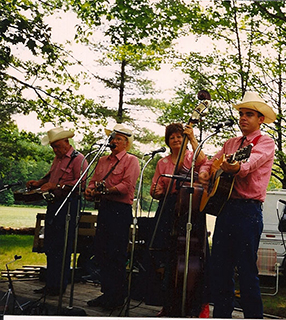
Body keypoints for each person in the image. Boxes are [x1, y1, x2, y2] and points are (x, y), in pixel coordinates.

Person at [198, 91, 276, 319]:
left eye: (249, 114)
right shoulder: (231, 143)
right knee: (220, 268)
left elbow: (249, 163)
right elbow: (212, 162)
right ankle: (222, 315)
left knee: (246, 270)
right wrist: (205, 173)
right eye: (241, 114)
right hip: (225, 209)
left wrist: (235, 166)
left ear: (260, 119)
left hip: (248, 211)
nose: (243, 118)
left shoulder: (265, 142)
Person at [148, 123, 207, 316]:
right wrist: (156, 191)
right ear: (168, 140)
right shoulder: (162, 163)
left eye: (179, 136)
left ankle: (195, 306)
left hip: (190, 208)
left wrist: (192, 138)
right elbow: (157, 188)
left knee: (192, 257)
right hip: (168, 209)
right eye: (172, 137)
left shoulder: (192, 156)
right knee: (168, 257)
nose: (176, 140)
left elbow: (204, 162)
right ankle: (168, 304)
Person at [84, 124, 140, 309]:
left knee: (116, 254)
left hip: (120, 210)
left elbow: (127, 185)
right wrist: (90, 191)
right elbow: (92, 181)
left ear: (126, 143)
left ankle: (117, 297)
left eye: (118, 138)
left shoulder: (131, 161)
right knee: (102, 252)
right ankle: (106, 293)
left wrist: (105, 191)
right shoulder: (102, 160)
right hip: (105, 209)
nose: (113, 141)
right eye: (113, 137)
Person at [27, 126, 88, 296]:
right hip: (54, 204)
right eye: (53, 147)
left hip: (69, 205)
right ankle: (51, 284)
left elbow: (81, 185)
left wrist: (57, 186)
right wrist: (39, 182)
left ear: (67, 143)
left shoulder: (79, 159)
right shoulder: (58, 158)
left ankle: (59, 286)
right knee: (51, 244)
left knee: (63, 246)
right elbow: (50, 176)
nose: (56, 150)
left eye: (58, 146)